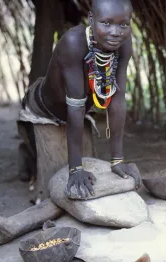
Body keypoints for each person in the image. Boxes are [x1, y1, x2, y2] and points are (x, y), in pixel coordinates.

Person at [17, 0, 141, 199]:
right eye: (107, 23)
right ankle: (26, 156)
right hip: (42, 108)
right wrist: (75, 170)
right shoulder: (73, 42)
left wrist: (118, 160)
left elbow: (117, 98)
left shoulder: (123, 44)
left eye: (123, 24)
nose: (116, 32)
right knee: (48, 179)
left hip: (79, 110)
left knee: (87, 163)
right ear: (91, 20)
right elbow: (75, 106)